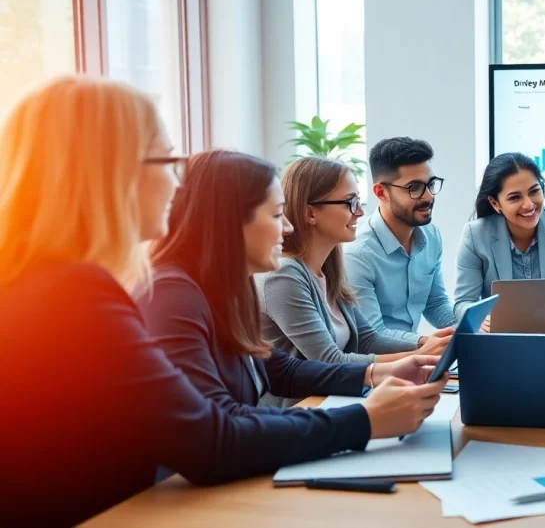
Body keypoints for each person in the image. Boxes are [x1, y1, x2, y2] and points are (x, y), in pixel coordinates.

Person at [0, 77, 435, 527]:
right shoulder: (85, 296)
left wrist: (371, 376)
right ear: (110, 172)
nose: (177, 186)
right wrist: (364, 419)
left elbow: (262, 368)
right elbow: (209, 439)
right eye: (168, 163)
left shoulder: (55, 285)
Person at [139, 149, 447, 417]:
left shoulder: (233, 290)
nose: (286, 226)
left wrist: (394, 364)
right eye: (276, 215)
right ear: (229, 222)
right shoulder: (178, 297)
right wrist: (365, 418)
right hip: (291, 418)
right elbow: (220, 427)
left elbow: (283, 368)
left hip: (302, 418)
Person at [254, 157, 453, 405]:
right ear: (310, 213)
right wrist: (419, 355)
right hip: (299, 413)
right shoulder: (284, 275)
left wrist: (429, 344)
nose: (359, 211)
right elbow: (330, 360)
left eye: (358, 201)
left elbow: (368, 339)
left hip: (337, 401)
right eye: (350, 202)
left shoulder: (331, 267)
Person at [453, 152, 545, 325]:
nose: (529, 204)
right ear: (495, 203)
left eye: (534, 191)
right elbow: (462, 303)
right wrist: (480, 319)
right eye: (515, 197)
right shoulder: (475, 235)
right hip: (502, 336)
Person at [345, 137, 459, 342]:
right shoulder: (358, 255)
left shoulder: (431, 236)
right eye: (414, 188)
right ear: (381, 192)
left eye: (430, 184)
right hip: (377, 368)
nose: (428, 197)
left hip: (414, 359)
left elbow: (435, 303)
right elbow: (372, 337)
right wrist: (427, 343)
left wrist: (473, 327)